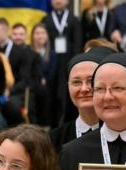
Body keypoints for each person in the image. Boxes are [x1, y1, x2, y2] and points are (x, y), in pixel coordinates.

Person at [49, 48, 113, 154]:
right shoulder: (54, 139)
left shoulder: (120, 134)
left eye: (91, 81)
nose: (84, 89)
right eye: (76, 82)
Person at [41, 0, 83, 129]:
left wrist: (75, 64)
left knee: (65, 95)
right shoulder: (46, 19)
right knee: (51, 95)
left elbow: (78, 42)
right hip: (51, 63)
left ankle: (67, 126)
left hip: (68, 63)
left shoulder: (74, 20)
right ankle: (52, 127)